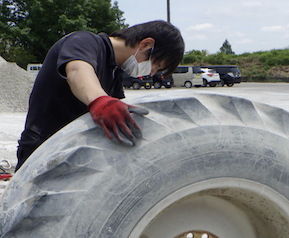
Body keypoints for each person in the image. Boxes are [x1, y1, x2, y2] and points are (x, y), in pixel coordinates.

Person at [15, 21, 185, 170]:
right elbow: (77, 70)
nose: (151, 72)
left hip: (71, 150)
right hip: (42, 149)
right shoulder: (84, 41)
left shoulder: (115, 70)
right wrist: (100, 101)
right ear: (146, 45)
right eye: (156, 65)